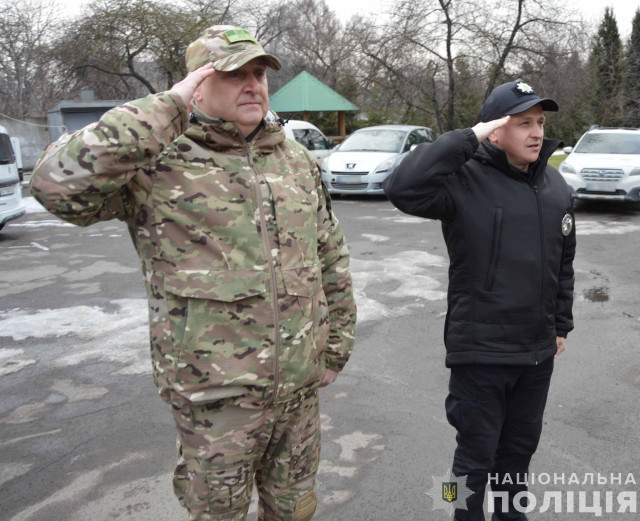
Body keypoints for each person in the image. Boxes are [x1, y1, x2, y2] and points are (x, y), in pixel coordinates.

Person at [30, 25, 356, 521]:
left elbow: (330, 256)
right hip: (216, 400)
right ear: (197, 86)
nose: (253, 85)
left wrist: (335, 350)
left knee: (295, 510)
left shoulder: (294, 159)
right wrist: (168, 106)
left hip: (299, 392)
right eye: (234, 75)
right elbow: (55, 186)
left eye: (259, 74)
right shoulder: (157, 161)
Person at [384, 80, 575, 521]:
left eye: (540, 122)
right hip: (481, 353)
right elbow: (402, 187)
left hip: (536, 354)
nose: (537, 132)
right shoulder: (463, 181)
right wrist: (469, 137)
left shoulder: (555, 186)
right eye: (523, 123)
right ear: (495, 131)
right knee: (472, 460)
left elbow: (563, 263)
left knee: (518, 456)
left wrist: (560, 325)